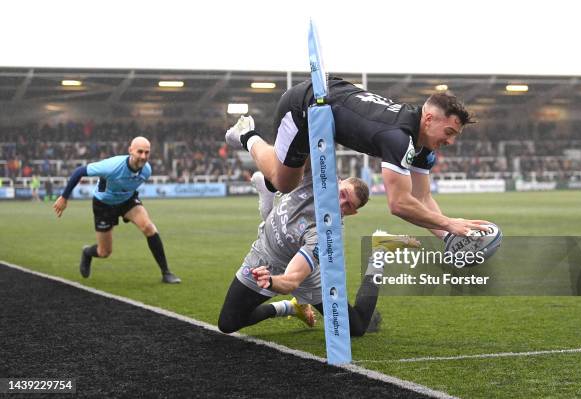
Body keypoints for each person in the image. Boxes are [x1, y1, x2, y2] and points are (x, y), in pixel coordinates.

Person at [225, 77, 490, 238]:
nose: (451, 141)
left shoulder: (422, 144)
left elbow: (422, 198)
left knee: (298, 174)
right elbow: (399, 204)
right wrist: (449, 223)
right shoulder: (398, 138)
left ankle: (267, 183)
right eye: (449, 132)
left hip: (333, 105)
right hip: (306, 106)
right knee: (286, 182)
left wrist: (447, 237)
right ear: (429, 119)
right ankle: (247, 134)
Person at [218, 170, 388, 337]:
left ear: (352, 213)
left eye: (348, 206)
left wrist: (270, 280)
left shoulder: (328, 233)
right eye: (342, 194)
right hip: (265, 254)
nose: (340, 204)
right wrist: (249, 141)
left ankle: (378, 255)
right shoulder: (317, 175)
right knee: (228, 323)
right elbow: (292, 152)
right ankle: (291, 307)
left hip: (305, 272)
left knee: (355, 328)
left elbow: (292, 280)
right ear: (338, 181)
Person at [52, 136, 181, 284]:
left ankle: (166, 273)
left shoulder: (147, 170)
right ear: (130, 151)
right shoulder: (112, 166)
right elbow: (79, 171)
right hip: (104, 205)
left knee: (148, 227)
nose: (144, 157)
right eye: (140, 152)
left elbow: (129, 184)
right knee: (104, 252)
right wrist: (64, 197)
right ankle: (87, 252)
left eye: (147, 152)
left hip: (127, 201)